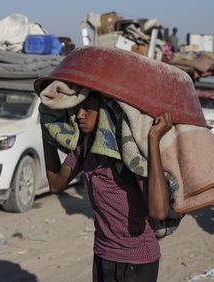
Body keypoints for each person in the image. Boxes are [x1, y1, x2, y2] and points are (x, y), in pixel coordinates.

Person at [41, 92, 172, 282]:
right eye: (78, 108)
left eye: (87, 107)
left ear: (104, 110)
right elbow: (55, 183)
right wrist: (47, 130)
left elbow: (159, 211)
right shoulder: (84, 149)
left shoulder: (126, 153)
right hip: (103, 254)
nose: (80, 114)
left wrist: (154, 139)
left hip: (137, 260)